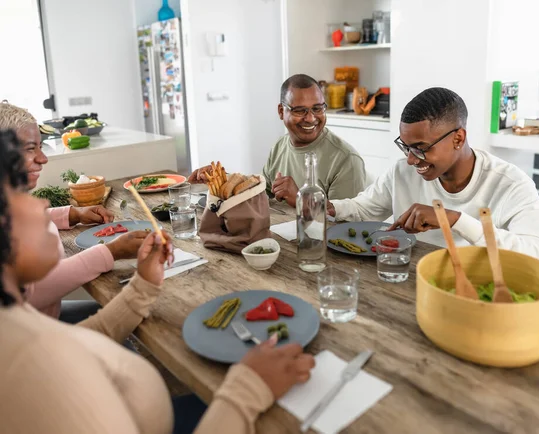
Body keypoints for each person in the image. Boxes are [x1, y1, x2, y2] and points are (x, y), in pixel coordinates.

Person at [0, 128, 315, 434]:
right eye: (18, 192)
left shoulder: (15, 320)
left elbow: (79, 340)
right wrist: (246, 390)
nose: (44, 204)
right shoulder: (28, 360)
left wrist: (142, 286)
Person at [328, 87, 539, 269]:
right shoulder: (403, 172)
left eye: (420, 148)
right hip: (406, 279)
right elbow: (363, 209)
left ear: (458, 139)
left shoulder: (510, 184)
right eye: (406, 147)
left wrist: (454, 220)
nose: (411, 159)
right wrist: (323, 206)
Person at [0, 101, 147, 321]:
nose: (43, 158)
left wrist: (72, 214)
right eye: (31, 148)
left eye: (41, 147)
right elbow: (28, 295)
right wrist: (111, 252)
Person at [188, 74, 367, 208]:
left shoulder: (346, 159)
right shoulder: (280, 145)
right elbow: (258, 194)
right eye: (300, 110)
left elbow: (343, 228)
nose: (311, 118)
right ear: (281, 111)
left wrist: (300, 198)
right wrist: (222, 179)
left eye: (318, 108)